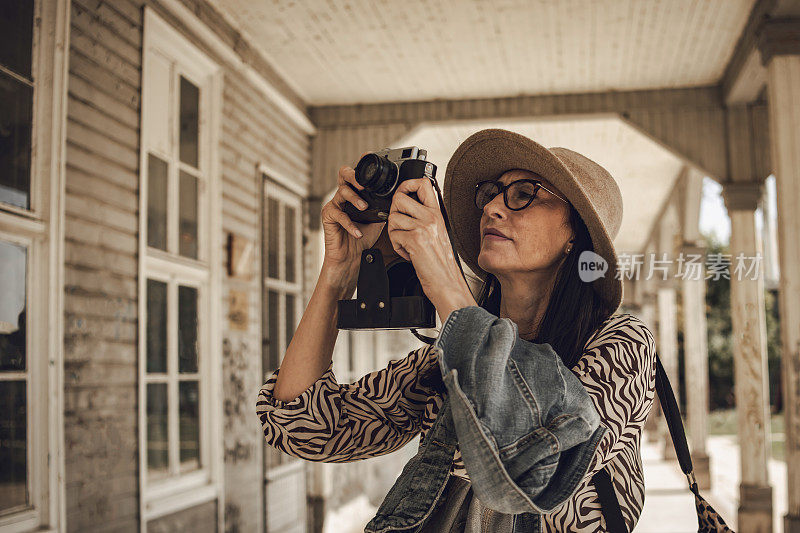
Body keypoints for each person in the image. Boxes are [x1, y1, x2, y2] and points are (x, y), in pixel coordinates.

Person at [256, 128, 657, 532]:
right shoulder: (445, 356)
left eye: (523, 194)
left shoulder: (622, 342)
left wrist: (445, 279)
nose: (493, 208)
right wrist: (337, 274)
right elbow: (302, 425)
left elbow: (535, 468)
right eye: (492, 193)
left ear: (576, 234)